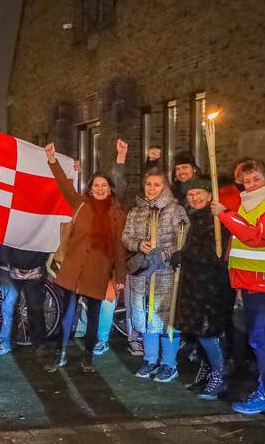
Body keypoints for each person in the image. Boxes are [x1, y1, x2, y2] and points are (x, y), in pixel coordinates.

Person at [211, 158, 265, 415]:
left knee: (263, 339)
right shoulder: (253, 202)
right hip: (253, 282)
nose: (250, 185)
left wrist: (224, 214)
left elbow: (256, 236)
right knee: (262, 339)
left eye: (256, 179)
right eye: (247, 181)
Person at [43, 140, 128, 372]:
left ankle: (88, 356)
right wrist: (52, 160)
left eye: (104, 185)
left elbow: (118, 246)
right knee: (67, 313)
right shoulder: (80, 203)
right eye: (96, 185)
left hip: (98, 270)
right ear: (90, 189)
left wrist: (120, 275)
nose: (100, 189)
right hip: (74, 267)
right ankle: (60, 353)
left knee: (93, 315)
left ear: (110, 189)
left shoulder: (116, 213)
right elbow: (64, 185)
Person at [123, 167, 189, 382]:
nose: (151, 188)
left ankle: (169, 363)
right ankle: (150, 359)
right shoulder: (136, 211)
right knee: (145, 315)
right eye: (148, 184)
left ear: (165, 187)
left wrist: (165, 252)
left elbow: (183, 238)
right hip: (142, 271)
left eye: (157, 184)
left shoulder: (174, 210)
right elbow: (126, 237)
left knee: (165, 316)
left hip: (165, 272)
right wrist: (138, 244)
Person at [170, 179, 234, 399]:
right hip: (193, 284)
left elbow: (213, 254)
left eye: (199, 193)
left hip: (210, 285)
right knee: (197, 331)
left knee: (208, 332)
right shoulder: (193, 218)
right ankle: (207, 370)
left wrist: (184, 255)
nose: (195, 198)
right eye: (191, 194)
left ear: (209, 195)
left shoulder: (216, 219)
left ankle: (219, 374)